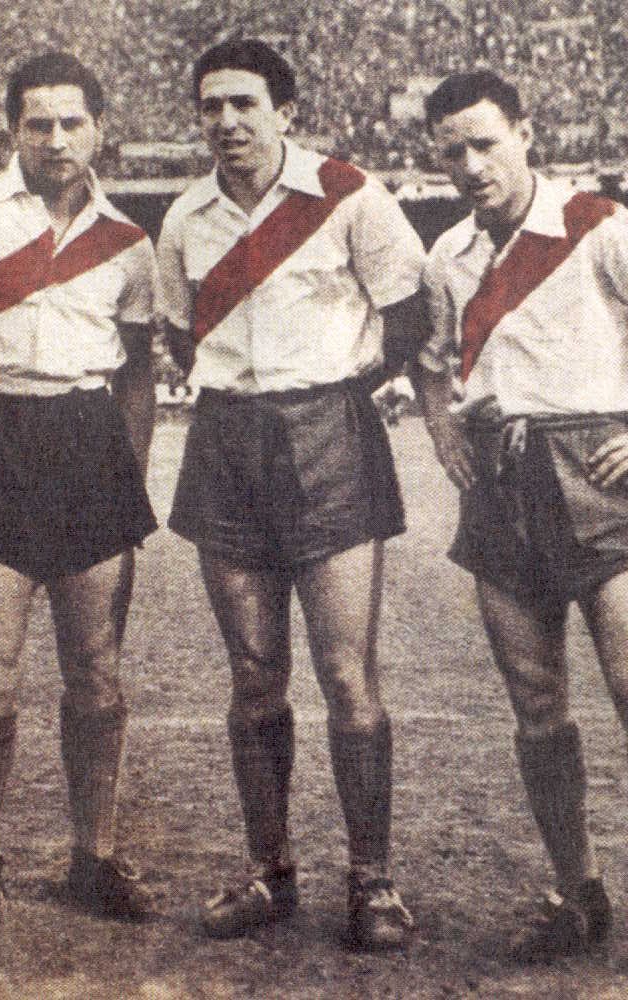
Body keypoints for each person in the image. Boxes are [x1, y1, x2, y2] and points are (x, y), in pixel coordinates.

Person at [154, 39, 425, 950]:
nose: (227, 121)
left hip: (329, 436)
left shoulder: (349, 195)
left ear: (286, 112)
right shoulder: (185, 216)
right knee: (254, 675)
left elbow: (408, 313)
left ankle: (373, 881)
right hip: (226, 441)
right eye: (211, 106)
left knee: (348, 674)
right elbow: (179, 332)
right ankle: (270, 872)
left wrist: (334, 388)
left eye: (244, 103)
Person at [0, 51, 159, 938]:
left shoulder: (128, 242)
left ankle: (95, 855)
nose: (56, 139)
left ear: (99, 129)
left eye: (72, 122)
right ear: (11, 127)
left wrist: (129, 468)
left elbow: (138, 370)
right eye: (38, 123)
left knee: (96, 672)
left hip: (88, 438)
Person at [417, 70, 628, 962]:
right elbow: (433, 363)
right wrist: (442, 432)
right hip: (502, 486)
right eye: (452, 152)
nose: (471, 165)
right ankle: (578, 893)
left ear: (526, 134)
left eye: (485, 143)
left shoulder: (600, 226)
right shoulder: (447, 256)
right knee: (537, 704)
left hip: (600, 477)